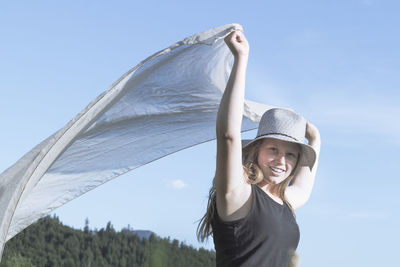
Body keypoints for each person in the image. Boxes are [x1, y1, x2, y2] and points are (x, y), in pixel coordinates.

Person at [197, 29, 321, 267]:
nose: (281, 161)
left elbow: (304, 190)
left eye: (291, 155)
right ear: (255, 150)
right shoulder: (239, 194)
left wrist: (315, 140)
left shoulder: (284, 202)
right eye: (273, 149)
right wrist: (240, 59)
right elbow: (228, 136)